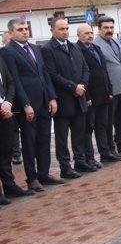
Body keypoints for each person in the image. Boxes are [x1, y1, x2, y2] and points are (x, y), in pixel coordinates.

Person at [0, 19, 63, 192]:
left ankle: (44, 173)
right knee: (29, 142)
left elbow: (44, 74)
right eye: (20, 29)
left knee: (44, 140)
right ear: (11, 33)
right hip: (26, 105)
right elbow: (14, 80)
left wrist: (52, 97)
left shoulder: (35, 48)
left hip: (43, 101)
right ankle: (32, 178)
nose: (25, 32)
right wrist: (26, 103)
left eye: (26, 28)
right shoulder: (8, 52)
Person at [42, 18, 91, 179]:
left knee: (79, 133)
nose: (65, 31)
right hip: (63, 99)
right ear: (52, 30)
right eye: (61, 29)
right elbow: (52, 74)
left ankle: (80, 160)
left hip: (79, 97)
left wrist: (82, 85)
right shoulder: (48, 49)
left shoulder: (73, 47)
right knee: (62, 137)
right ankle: (65, 166)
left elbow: (85, 68)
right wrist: (73, 87)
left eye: (66, 28)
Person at [93, 17, 121, 154]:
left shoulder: (116, 41)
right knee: (107, 122)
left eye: (111, 27)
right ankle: (109, 149)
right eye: (106, 28)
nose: (109, 30)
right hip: (109, 90)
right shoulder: (96, 44)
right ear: (99, 29)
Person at [77, 24, 114, 168]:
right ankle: (89, 157)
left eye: (91, 33)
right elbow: (82, 75)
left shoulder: (96, 49)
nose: (90, 35)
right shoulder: (78, 50)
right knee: (89, 127)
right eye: (86, 33)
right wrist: (87, 96)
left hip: (103, 94)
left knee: (102, 125)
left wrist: (109, 90)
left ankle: (105, 152)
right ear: (79, 35)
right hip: (91, 96)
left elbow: (104, 71)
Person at [0, 53, 30, 203]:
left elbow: (10, 82)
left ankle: (9, 186)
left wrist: (8, 102)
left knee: (6, 151)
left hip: (5, 112)